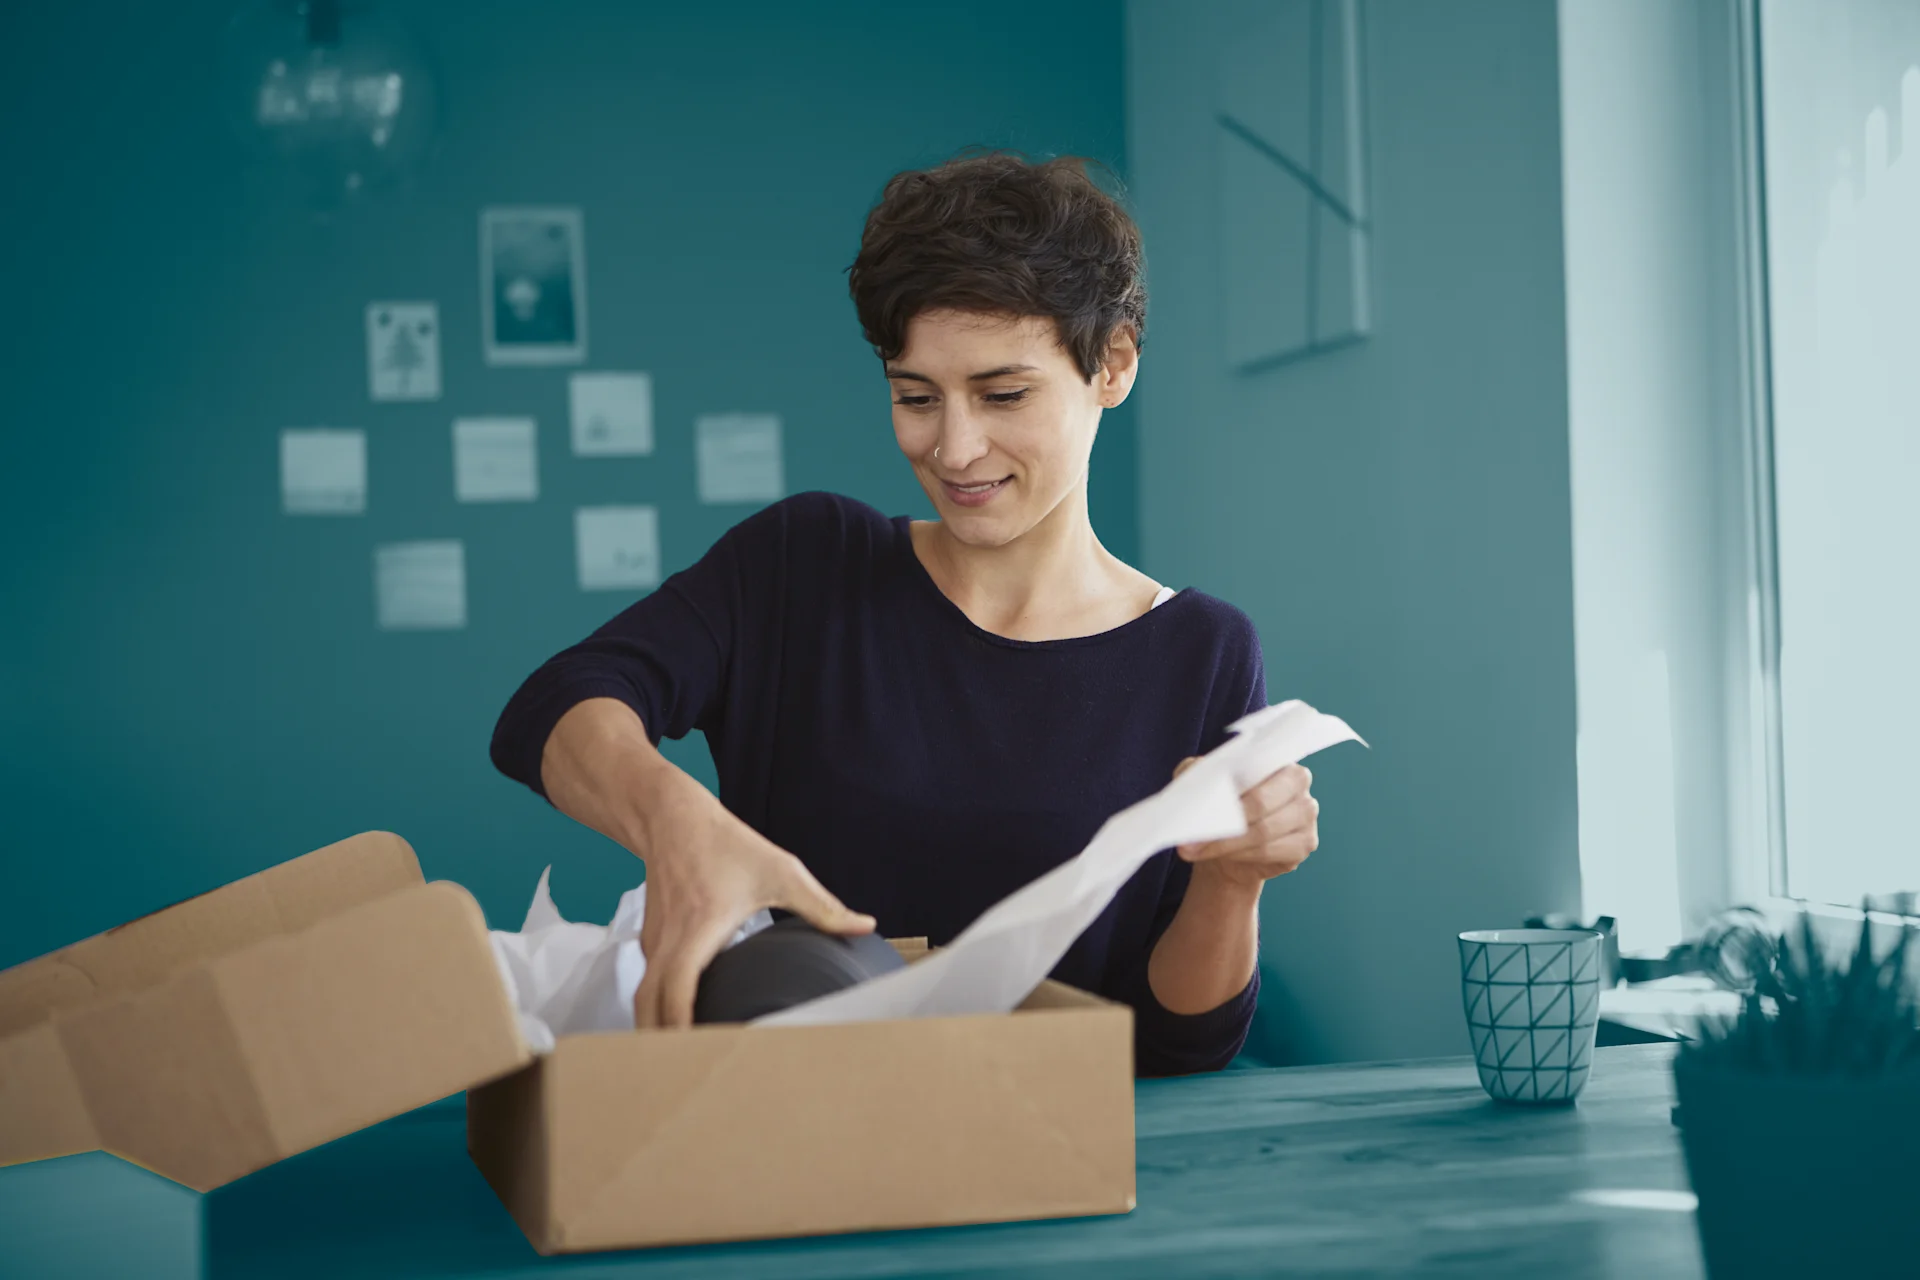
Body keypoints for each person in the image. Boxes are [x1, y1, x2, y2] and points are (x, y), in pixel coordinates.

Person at [490, 152, 1320, 1076]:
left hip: (1053, 1166)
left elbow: (1181, 1042)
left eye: (1003, 394)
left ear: (1113, 365)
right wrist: (674, 821)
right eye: (915, 397)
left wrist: (1232, 880)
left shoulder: (1201, 652)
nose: (956, 448)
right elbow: (554, 705)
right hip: (785, 1140)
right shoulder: (805, 565)